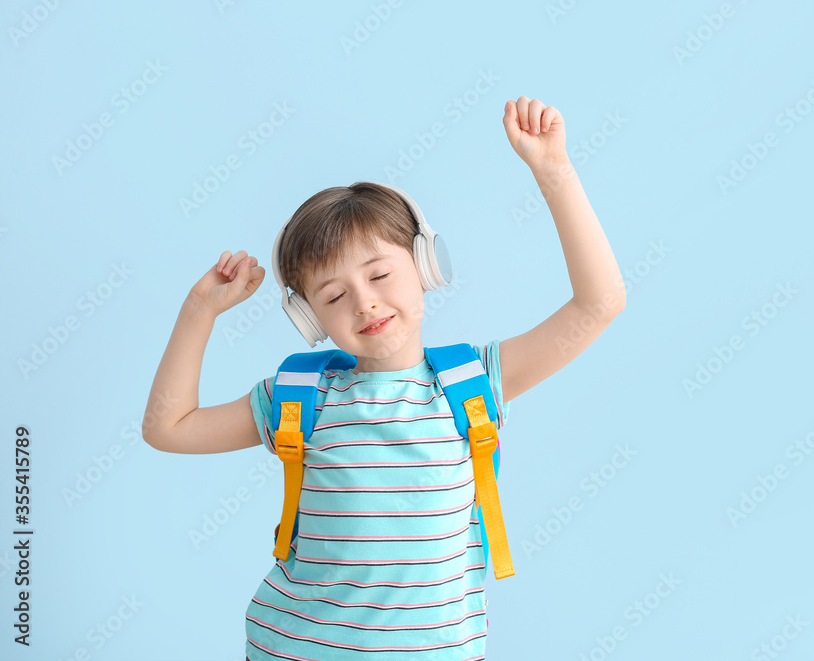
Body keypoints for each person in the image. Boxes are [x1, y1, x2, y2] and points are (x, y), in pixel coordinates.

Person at [142, 97, 626, 661]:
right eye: (334, 295)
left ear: (426, 266)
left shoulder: (476, 383)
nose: (364, 302)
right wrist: (199, 311)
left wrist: (553, 169)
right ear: (309, 319)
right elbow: (168, 428)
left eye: (379, 274)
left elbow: (600, 303)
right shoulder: (299, 398)